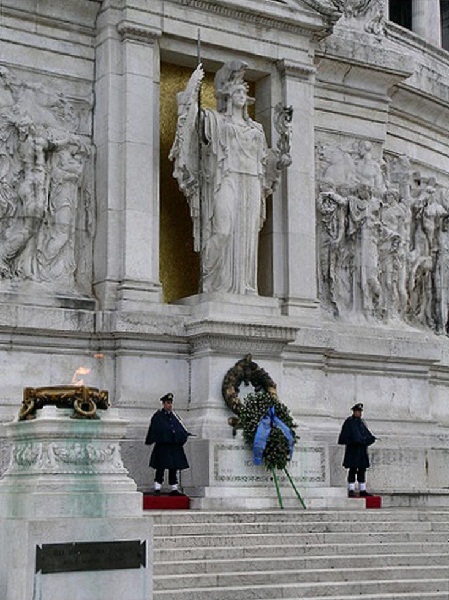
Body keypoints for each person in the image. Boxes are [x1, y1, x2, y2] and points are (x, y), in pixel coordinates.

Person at [169, 60, 291, 295]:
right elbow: (188, 127)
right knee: (223, 229)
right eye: (237, 91)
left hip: (252, 182)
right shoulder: (214, 120)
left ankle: (244, 286)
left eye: (244, 92)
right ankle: (213, 282)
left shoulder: (256, 128)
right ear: (226, 95)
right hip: (224, 179)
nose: (242, 95)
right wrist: (193, 88)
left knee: (248, 232)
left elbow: (266, 160)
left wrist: (280, 160)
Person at [144, 393, 191, 496]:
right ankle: (157, 487)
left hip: (173, 446)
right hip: (163, 447)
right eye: (168, 403)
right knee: (160, 467)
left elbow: (179, 428)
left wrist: (181, 435)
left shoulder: (175, 416)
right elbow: (156, 429)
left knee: (173, 467)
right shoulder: (158, 416)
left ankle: (174, 488)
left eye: (170, 403)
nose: (169, 405)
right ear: (163, 404)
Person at [338, 403, 376, 497]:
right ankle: (351, 489)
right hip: (353, 451)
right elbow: (346, 436)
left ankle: (362, 489)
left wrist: (370, 439)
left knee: (362, 469)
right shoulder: (349, 422)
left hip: (361, 450)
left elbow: (366, 434)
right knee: (353, 469)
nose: (359, 413)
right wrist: (356, 440)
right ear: (354, 412)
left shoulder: (361, 423)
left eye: (360, 412)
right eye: (357, 411)